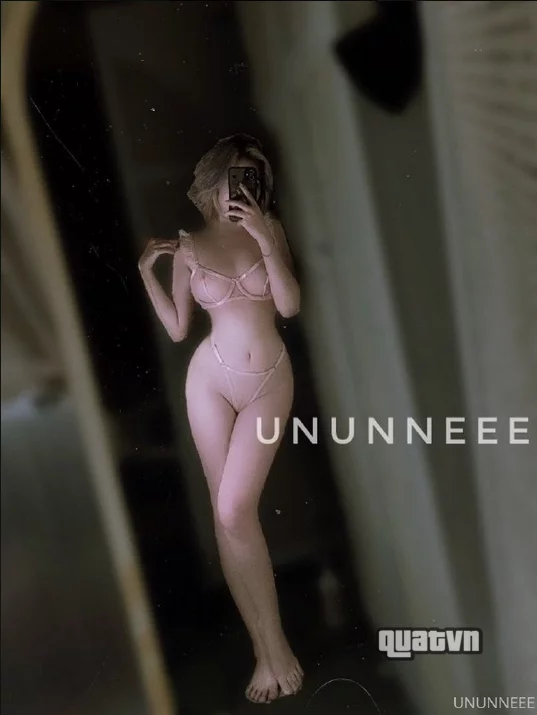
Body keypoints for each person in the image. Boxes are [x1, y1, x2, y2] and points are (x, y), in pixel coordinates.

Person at [138, 134, 303, 703]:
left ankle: (275, 645)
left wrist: (264, 236)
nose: (244, 187)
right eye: (236, 176)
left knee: (236, 509)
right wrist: (147, 273)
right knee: (224, 514)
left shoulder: (270, 231)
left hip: (268, 381)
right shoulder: (188, 247)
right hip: (209, 380)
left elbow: (288, 306)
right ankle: (267, 652)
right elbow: (179, 329)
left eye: (254, 177)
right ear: (213, 181)